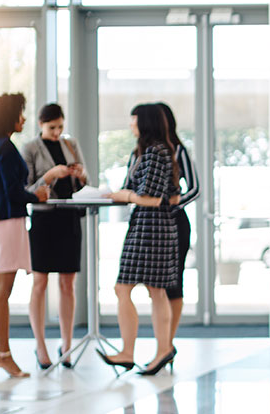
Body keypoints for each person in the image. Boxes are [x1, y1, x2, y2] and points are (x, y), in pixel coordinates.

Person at [97, 103, 182, 376]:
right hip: (148, 227)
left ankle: (136, 351)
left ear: (144, 124)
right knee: (151, 291)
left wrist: (125, 196)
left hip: (152, 228)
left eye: (134, 120)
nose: (131, 125)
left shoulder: (156, 152)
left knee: (131, 288)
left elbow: (154, 198)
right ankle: (152, 350)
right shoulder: (150, 152)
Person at [0, 92, 50, 379]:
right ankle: (3, 355)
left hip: (5, 219)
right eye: (20, 113)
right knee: (3, 288)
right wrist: (38, 196)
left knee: (3, 287)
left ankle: (3, 354)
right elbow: (11, 192)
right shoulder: (5, 148)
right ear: (8, 116)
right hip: (7, 220)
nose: (23, 118)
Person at [21, 103, 88, 369]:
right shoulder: (30, 148)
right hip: (44, 219)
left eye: (61, 126)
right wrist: (49, 175)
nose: (57, 132)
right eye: (52, 128)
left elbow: (85, 179)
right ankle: (40, 345)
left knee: (68, 284)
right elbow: (26, 189)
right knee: (39, 283)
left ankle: (67, 344)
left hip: (69, 218)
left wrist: (81, 175)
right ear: (40, 124)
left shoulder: (70, 144)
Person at [153, 102, 199, 358]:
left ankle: (167, 344)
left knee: (174, 282)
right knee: (156, 286)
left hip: (175, 222)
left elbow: (195, 188)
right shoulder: (142, 152)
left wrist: (173, 202)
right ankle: (163, 344)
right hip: (151, 226)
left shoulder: (178, 151)